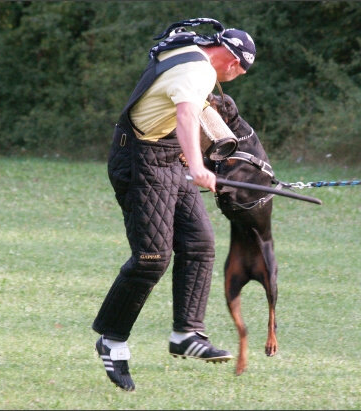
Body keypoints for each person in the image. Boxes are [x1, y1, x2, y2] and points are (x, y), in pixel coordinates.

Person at [92, 18, 256, 391]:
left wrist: (187, 156)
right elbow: (184, 112)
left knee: (199, 244)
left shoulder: (186, 51)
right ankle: (112, 340)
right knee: (152, 257)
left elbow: (184, 110)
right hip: (139, 159)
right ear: (233, 63)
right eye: (239, 74)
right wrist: (198, 165)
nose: (232, 79)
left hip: (165, 156)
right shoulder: (198, 72)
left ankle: (186, 333)